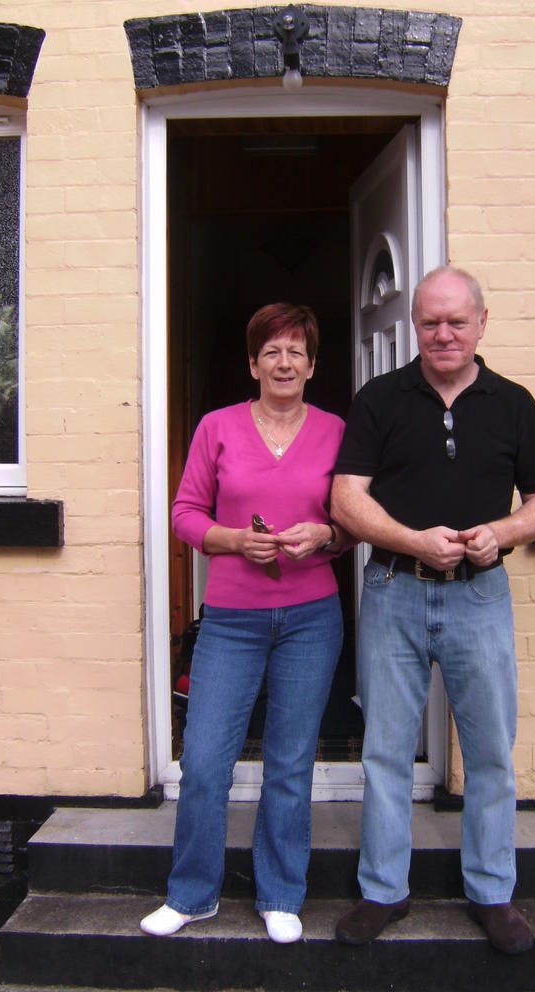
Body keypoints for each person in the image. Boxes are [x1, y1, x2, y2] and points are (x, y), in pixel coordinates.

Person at [330, 266, 535, 955]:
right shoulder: (380, 400)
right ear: (415, 326)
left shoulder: (515, 405)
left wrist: (501, 533)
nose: (444, 334)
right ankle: (383, 891)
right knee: (386, 751)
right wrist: (413, 540)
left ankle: (492, 894)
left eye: (457, 321)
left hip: (479, 596)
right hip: (394, 590)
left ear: (482, 323)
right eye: (430, 322)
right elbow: (346, 499)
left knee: (489, 753)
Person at [140, 303, 349, 944]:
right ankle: (191, 894)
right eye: (271, 352)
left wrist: (327, 535)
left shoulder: (337, 432)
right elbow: (184, 513)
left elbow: (354, 521)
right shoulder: (218, 427)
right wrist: (233, 540)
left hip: (312, 619)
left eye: (296, 352)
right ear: (252, 363)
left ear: (312, 366)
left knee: (290, 760)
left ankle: (281, 894)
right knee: (205, 760)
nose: (284, 363)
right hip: (231, 620)